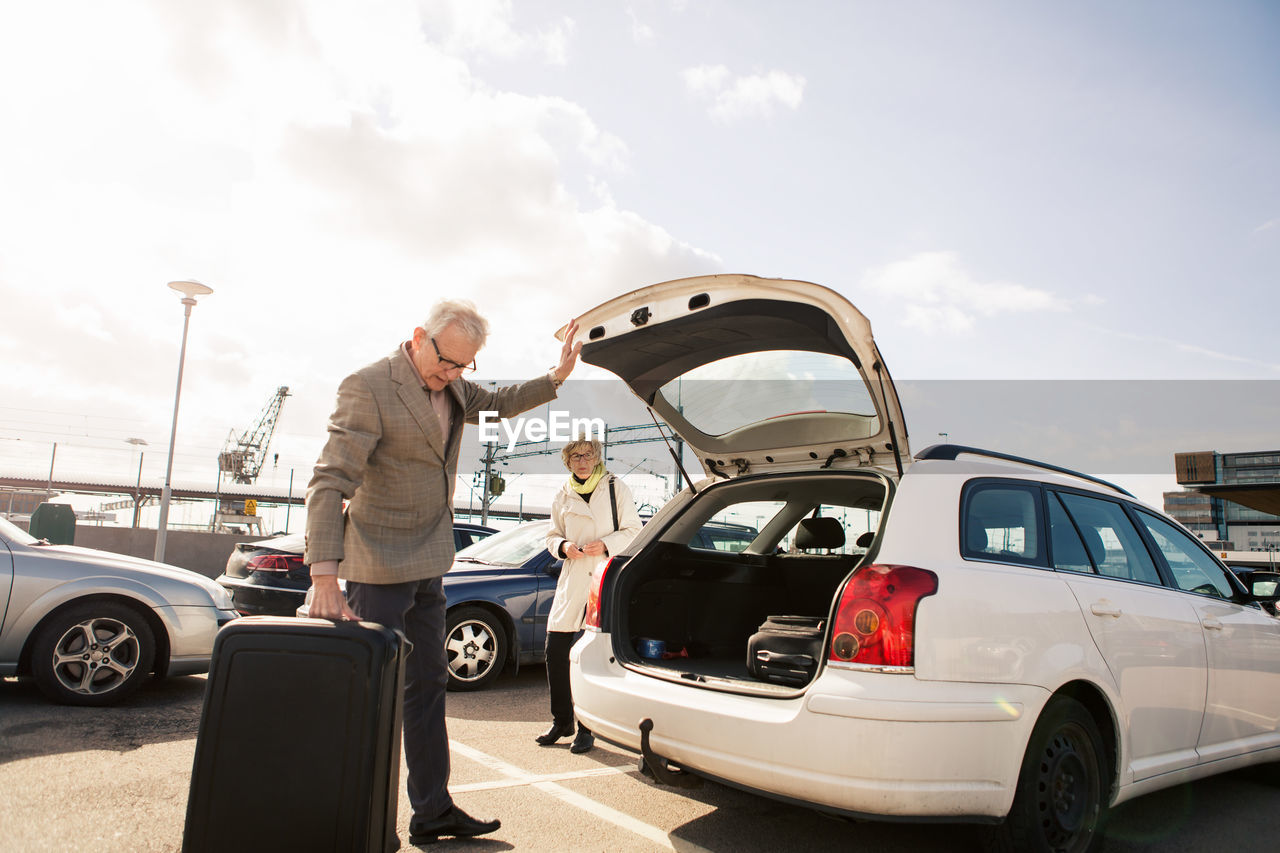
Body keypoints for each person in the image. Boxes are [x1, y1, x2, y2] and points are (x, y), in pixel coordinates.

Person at [304, 300, 580, 845]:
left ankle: (432, 810)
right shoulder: (368, 386)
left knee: (427, 688)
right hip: (376, 568)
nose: (451, 374)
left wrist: (557, 376)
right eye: (446, 362)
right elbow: (329, 480)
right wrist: (324, 577)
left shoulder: (453, 387)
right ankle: (351, 818)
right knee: (373, 698)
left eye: (462, 367)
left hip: (431, 564)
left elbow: (499, 403)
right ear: (417, 337)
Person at [539, 437, 642, 754]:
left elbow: (635, 530)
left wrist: (607, 543)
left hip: (602, 575)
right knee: (555, 650)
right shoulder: (563, 493)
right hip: (572, 577)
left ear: (596, 458)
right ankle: (562, 721)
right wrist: (562, 547)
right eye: (575, 457)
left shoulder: (615, 488)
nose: (582, 461)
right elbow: (552, 534)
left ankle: (586, 729)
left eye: (587, 455)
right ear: (567, 462)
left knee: (588, 655)